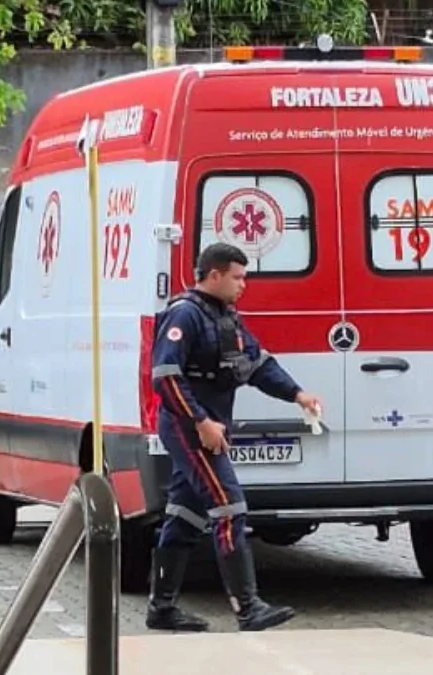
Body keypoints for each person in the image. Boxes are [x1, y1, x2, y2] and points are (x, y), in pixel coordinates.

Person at [145, 242, 322, 632]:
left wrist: (297, 394)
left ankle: (162, 608)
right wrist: (201, 422)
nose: (244, 285)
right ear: (215, 275)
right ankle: (247, 607)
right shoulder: (184, 315)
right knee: (229, 506)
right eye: (238, 277)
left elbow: (257, 365)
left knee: (185, 513)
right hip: (188, 426)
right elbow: (166, 377)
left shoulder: (225, 317)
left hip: (211, 424)